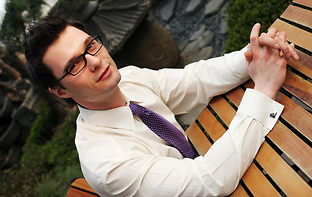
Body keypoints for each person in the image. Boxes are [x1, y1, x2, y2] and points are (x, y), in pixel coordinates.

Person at [24, 16, 298, 196]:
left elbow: (195, 81)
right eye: (74, 65)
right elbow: (210, 181)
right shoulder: (107, 164)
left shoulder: (128, 79)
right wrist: (263, 89)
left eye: (90, 46)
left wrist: (252, 57)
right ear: (60, 91)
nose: (94, 61)